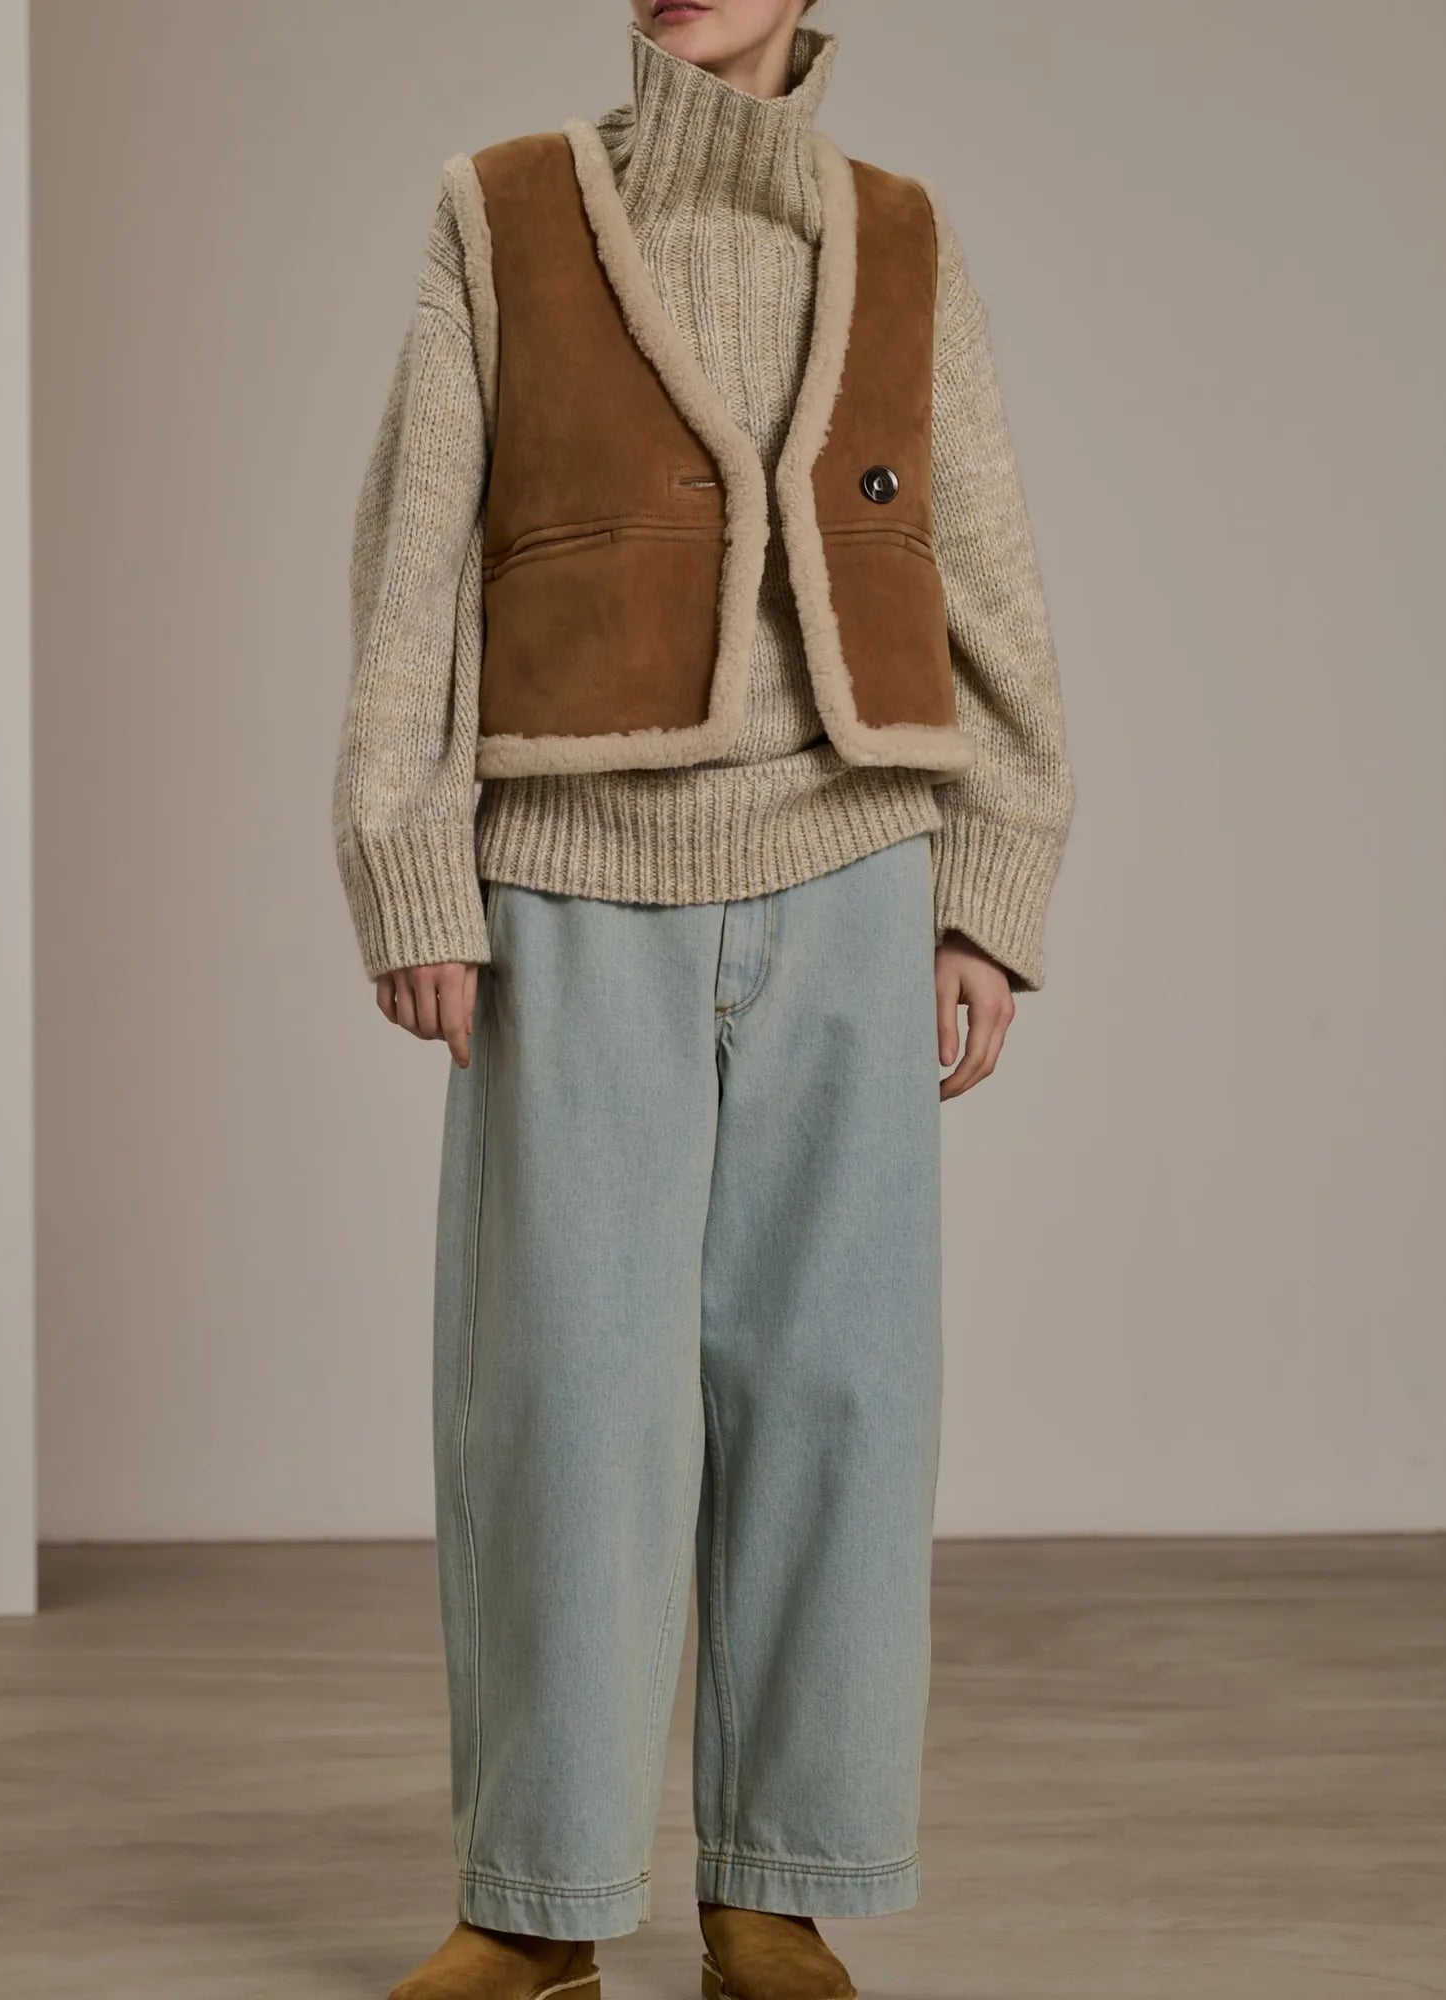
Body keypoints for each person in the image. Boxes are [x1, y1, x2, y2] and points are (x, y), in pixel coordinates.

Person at [333, 1, 1074, 1994]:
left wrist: (990, 886)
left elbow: (985, 565)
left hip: (854, 872)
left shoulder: (901, 233)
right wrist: (413, 862)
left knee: (839, 1398)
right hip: (575, 879)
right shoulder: (499, 211)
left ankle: (776, 1885)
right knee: (562, 1399)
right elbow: (413, 564)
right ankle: (536, 1903)